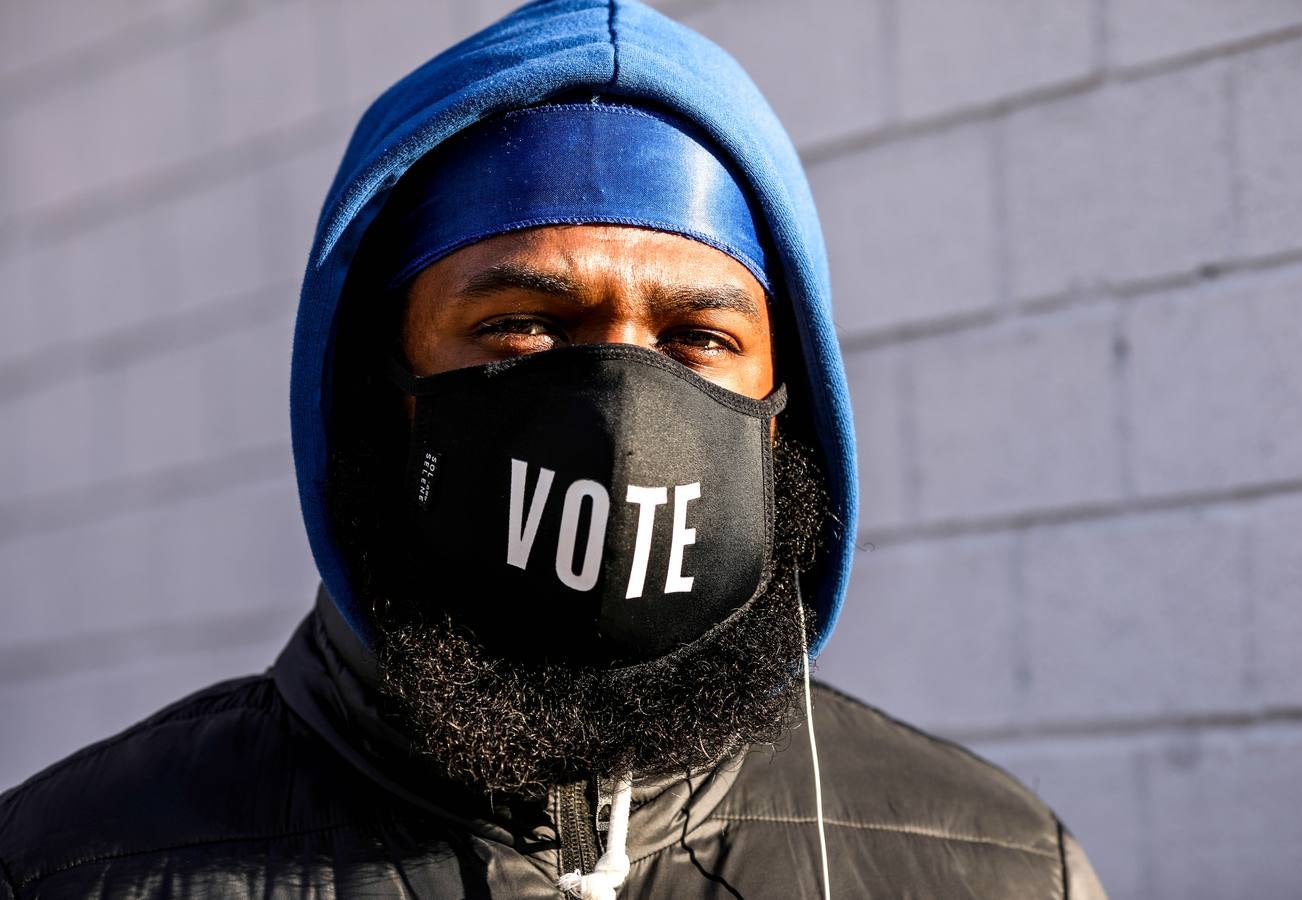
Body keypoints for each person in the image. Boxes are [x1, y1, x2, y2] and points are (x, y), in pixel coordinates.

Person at [0, 2, 1107, 897]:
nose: (622, 409)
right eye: (524, 327)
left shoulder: (996, 865)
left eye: (699, 338)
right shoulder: (76, 865)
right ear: (376, 387)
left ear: (788, 402)